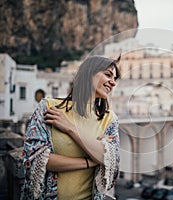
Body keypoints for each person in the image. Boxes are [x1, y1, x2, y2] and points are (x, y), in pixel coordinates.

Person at [21, 55, 121, 199]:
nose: (113, 83)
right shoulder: (49, 107)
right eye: (108, 75)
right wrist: (90, 161)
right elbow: (35, 158)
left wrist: (70, 128)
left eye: (115, 78)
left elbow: (113, 162)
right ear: (88, 73)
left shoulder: (109, 119)